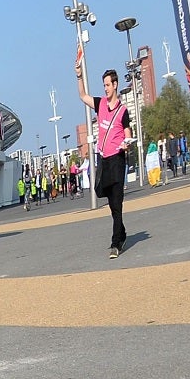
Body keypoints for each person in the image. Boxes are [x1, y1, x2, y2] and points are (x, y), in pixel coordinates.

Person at [74, 46, 130, 257]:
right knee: (104, 195)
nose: (105, 88)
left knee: (117, 202)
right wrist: (79, 76)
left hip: (117, 159)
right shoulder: (100, 104)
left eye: (108, 85)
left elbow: (128, 134)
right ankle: (122, 231)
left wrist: (127, 144)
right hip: (103, 160)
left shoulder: (123, 111)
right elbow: (82, 96)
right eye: (104, 85)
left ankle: (116, 242)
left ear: (115, 85)